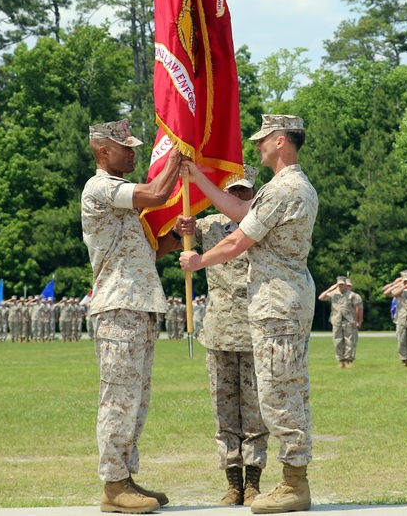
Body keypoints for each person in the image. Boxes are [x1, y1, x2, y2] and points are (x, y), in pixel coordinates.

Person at [179, 114, 318, 515]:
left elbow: (237, 240)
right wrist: (199, 179)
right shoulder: (287, 186)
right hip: (282, 301)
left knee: (279, 394)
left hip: (278, 305)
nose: (258, 145)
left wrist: (198, 261)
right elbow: (240, 211)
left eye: (263, 139)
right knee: (283, 390)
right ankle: (293, 479)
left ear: (280, 140)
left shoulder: (284, 188)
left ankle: (295, 483)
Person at [81, 117, 183, 514]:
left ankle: (125, 477)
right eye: (126, 148)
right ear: (104, 150)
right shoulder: (101, 187)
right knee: (118, 400)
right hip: (118, 308)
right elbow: (157, 193)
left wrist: (176, 238)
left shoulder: (122, 197)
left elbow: (148, 254)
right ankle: (113, 485)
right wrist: (177, 156)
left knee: (136, 402)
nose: (133, 153)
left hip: (139, 306)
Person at [179, 164, 269, 506]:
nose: (237, 195)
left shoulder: (262, 223)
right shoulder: (208, 226)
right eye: (232, 190)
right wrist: (181, 229)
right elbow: (173, 241)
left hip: (255, 329)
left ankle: (253, 482)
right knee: (224, 411)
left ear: (254, 193)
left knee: (256, 412)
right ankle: (233, 482)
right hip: (218, 331)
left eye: (243, 190)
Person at [318, 276, 363, 368]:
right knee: (337, 340)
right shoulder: (334, 294)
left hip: (349, 320)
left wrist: (357, 321)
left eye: (342, 284)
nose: (340, 286)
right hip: (336, 320)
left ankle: (348, 360)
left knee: (349, 341)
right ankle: (341, 360)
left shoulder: (352, 295)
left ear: (346, 285)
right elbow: (321, 297)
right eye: (339, 284)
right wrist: (330, 288)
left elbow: (357, 308)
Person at [383, 270, 407, 365]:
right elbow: (386, 292)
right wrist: (396, 284)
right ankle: (404, 360)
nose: (406, 282)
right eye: (404, 280)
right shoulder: (398, 289)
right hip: (401, 317)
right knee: (401, 339)